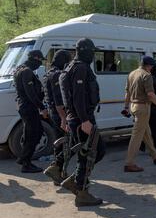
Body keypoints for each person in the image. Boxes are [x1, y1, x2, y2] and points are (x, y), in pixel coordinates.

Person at [60, 38, 106, 207]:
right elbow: (78, 97)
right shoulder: (80, 68)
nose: (93, 55)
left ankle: (76, 182)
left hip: (76, 118)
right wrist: (85, 120)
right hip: (81, 120)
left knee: (86, 154)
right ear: (86, 51)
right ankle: (81, 192)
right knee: (96, 152)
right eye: (93, 51)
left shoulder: (71, 67)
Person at [123, 56, 156, 173]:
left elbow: (127, 92)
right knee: (137, 136)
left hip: (134, 106)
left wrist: (126, 107)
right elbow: (151, 95)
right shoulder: (146, 75)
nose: (152, 67)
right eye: (152, 65)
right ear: (148, 65)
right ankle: (129, 163)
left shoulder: (132, 74)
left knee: (146, 132)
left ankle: (155, 155)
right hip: (143, 107)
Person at [13, 50, 48, 173]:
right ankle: (26, 164)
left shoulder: (19, 69)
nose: (40, 64)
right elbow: (31, 94)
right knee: (35, 134)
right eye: (40, 60)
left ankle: (23, 158)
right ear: (35, 58)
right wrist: (42, 107)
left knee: (29, 133)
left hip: (24, 106)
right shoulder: (26, 71)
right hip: (29, 107)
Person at [43, 50, 72, 185]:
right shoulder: (56, 75)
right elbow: (59, 101)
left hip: (52, 111)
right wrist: (63, 118)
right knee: (64, 144)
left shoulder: (49, 73)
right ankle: (57, 171)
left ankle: (58, 172)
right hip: (58, 113)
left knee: (59, 143)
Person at [140, 63, 156, 154]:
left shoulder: (144, 78)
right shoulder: (155, 80)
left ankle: (142, 145)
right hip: (154, 108)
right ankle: (155, 147)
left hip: (145, 106)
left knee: (146, 127)